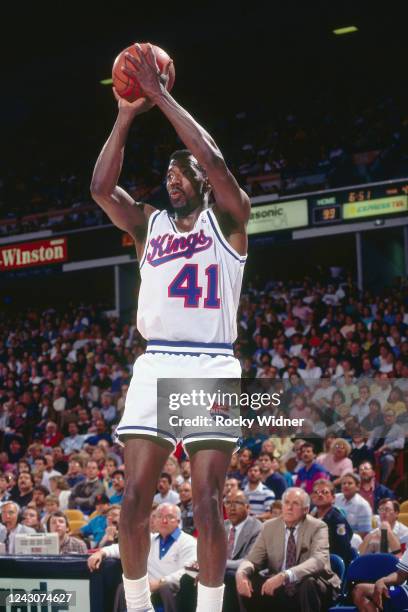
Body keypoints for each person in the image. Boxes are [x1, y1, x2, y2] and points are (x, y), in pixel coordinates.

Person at [91, 42, 250, 612]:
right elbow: (101, 190)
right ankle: (136, 606)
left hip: (209, 363)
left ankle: (209, 609)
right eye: (166, 173)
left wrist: (161, 95)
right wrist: (126, 113)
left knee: (206, 501)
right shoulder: (148, 226)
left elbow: (213, 160)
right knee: (133, 498)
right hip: (156, 360)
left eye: (180, 171)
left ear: (201, 183)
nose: (172, 178)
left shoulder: (230, 220)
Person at [235, 487, 340, 611]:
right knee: (247, 581)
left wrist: (285, 575)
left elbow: (318, 561)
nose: (289, 508)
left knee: (309, 583)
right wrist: (240, 574)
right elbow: (252, 560)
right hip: (280, 585)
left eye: (295, 503)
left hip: (313, 584)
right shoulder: (269, 527)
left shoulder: (318, 527)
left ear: (306, 509)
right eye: (286, 503)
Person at [88, 503, 197, 612]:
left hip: (173, 593)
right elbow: (124, 548)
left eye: (169, 517)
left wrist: (159, 582)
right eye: (159, 516)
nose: (164, 521)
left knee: (164, 589)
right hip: (147, 590)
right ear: (154, 520)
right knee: (124, 587)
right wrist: (101, 553)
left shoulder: (188, 542)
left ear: (178, 520)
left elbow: (187, 573)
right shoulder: (149, 539)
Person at [310, 479, 354, 565]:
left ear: (333, 498)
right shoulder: (311, 517)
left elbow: (342, 551)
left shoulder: (337, 520)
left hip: (330, 566)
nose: (320, 495)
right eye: (316, 492)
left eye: (325, 492)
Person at [366, 409, 405, 482]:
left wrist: (386, 446)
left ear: (394, 417)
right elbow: (370, 441)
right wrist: (367, 448)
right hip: (373, 453)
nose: (388, 418)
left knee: (389, 459)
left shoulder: (399, 429)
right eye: (386, 416)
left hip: (386, 453)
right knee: (361, 454)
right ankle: (366, 481)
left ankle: (383, 482)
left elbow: (401, 443)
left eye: (390, 416)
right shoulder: (377, 429)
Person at [335, 473, 372, 538]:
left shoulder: (363, 505)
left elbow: (364, 533)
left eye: (349, 483)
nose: (346, 485)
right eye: (344, 483)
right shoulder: (335, 499)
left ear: (357, 487)